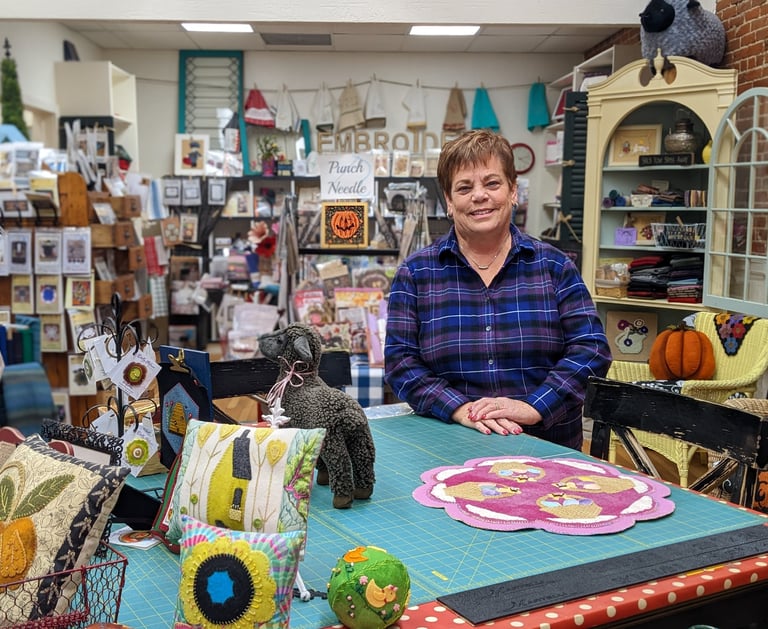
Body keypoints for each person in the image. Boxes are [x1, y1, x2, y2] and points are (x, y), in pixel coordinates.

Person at [384, 129, 611, 450]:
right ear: (449, 201)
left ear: (513, 191)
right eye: (464, 187)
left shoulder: (555, 267)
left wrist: (535, 407)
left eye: (492, 183)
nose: (479, 195)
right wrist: (461, 409)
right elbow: (400, 362)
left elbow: (591, 350)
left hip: (546, 445)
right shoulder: (416, 274)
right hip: (448, 446)